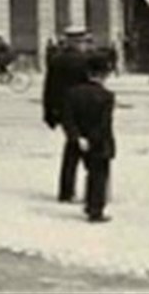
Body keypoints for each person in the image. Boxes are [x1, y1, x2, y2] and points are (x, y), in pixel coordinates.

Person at [62, 54, 116, 223]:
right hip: (98, 140)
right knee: (98, 175)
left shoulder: (72, 93)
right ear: (103, 75)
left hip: (78, 138)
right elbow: (104, 124)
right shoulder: (107, 96)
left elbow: (67, 119)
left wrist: (76, 136)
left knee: (78, 168)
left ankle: (74, 196)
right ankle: (95, 209)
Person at [42, 26, 90, 203]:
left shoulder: (56, 60)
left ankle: (66, 190)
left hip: (64, 111)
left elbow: (48, 88)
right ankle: (93, 189)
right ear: (78, 42)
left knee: (72, 147)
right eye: (83, 41)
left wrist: (49, 113)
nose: (84, 44)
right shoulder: (85, 60)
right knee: (84, 147)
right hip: (83, 110)